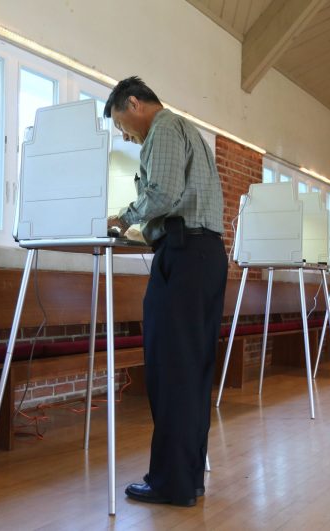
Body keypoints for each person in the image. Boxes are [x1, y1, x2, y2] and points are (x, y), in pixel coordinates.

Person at [105, 76, 227, 507]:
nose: (125, 134)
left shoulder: (164, 129)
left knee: (169, 370)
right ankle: (187, 478)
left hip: (184, 254)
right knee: (190, 372)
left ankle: (170, 483)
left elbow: (162, 194)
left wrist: (121, 219)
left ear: (134, 103)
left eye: (122, 123)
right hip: (199, 252)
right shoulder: (183, 130)